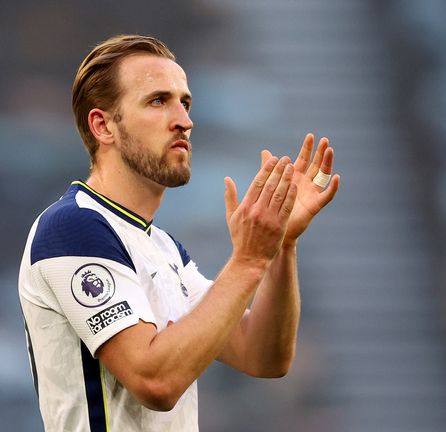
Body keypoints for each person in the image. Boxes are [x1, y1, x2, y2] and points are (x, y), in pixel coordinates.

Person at [18, 34, 340, 432]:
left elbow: (264, 356)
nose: (184, 121)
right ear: (103, 126)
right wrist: (249, 260)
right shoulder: (73, 226)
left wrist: (280, 245)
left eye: (185, 102)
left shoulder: (164, 248)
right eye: (158, 101)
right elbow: (156, 381)